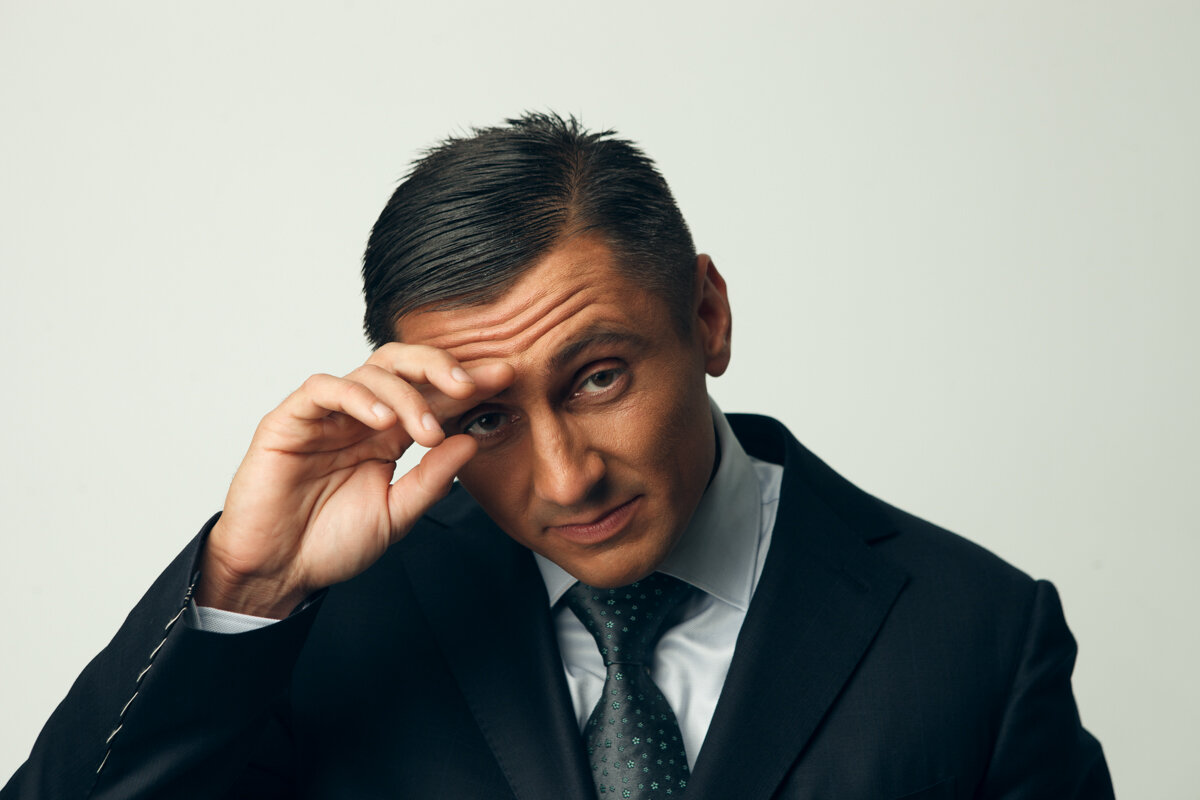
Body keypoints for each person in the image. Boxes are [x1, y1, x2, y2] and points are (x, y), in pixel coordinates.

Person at [2, 113, 1113, 799]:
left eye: (599, 377)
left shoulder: (981, 634)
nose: (567, 476)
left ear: (707, 316)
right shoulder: (318, 626)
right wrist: (246, 585)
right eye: (486, 417)